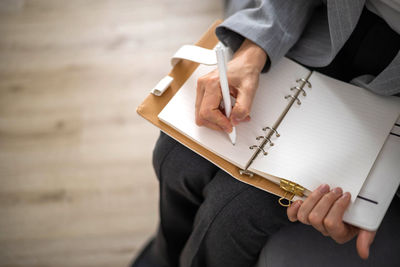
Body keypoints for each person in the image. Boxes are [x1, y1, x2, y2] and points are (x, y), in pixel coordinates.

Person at [132, 0, 400, 266]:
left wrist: (377, 196)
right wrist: (253, 48)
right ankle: (164, 256)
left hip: (389, 105)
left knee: (237, 211)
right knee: (175, 154)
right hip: (321, 30)